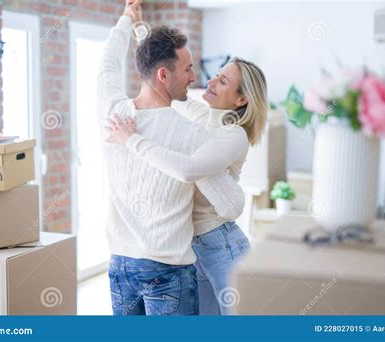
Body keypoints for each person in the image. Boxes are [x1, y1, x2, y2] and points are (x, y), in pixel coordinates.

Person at [97, 0, 245, 315]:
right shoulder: (193, 135)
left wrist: (127, 19)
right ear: (164, 74)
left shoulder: (112, 111)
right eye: (188, 69)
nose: (194, 77)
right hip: (169, 272)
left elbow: (108, 64)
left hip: (121, 266)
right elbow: (231, 204)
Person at [107, 56, 268, 315]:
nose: (212, 80)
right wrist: (140, 30)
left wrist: (132, 140)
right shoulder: (205, 119)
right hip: (190, 243)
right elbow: (171, 89)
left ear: (241, 99)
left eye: (223, 80)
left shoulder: (234, 134)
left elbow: (187, 169)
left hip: (221, 241)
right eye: (217, 74)